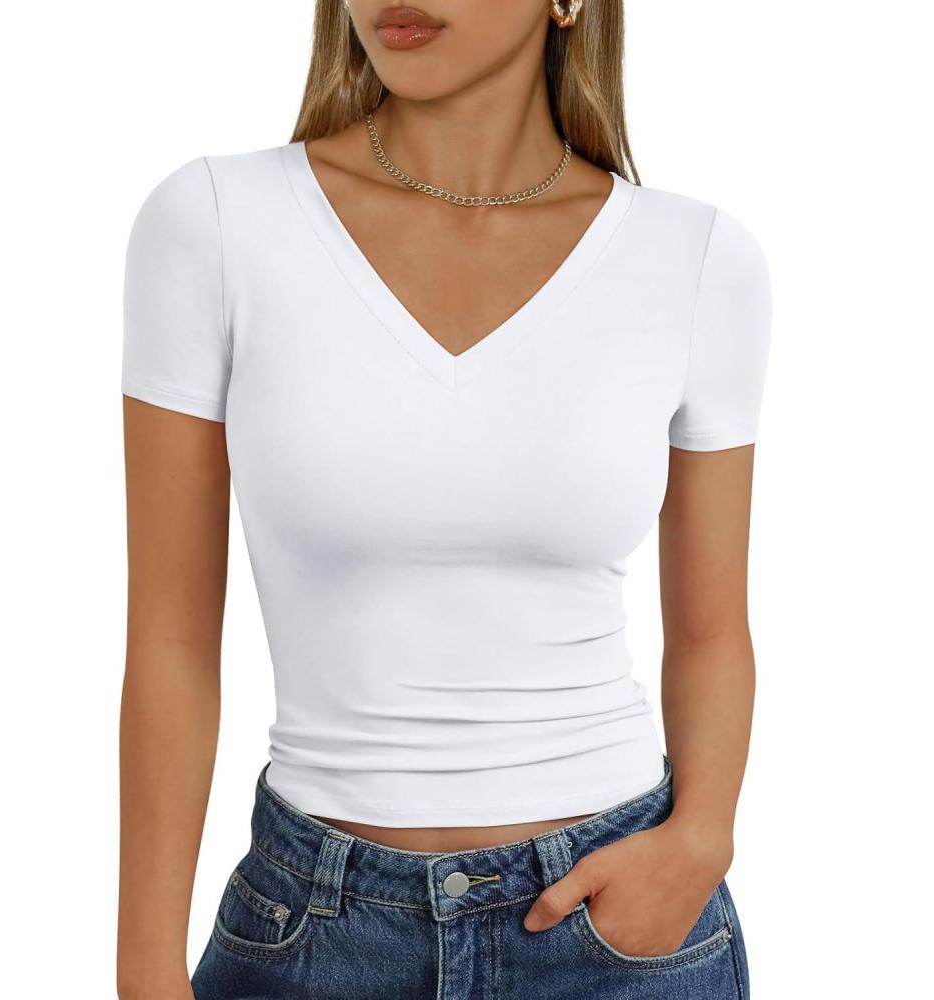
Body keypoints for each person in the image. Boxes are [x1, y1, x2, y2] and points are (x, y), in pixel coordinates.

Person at [117, 2, 771, 998]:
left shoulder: (696, 258)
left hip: (615, 934)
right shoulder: (214, 221)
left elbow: (712, 628)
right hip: (311, 931)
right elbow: (169, 639)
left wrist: (700, 839)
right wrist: (143, 974)